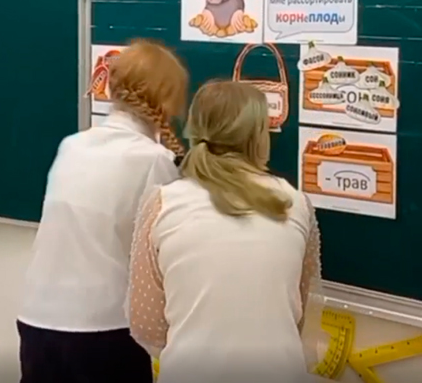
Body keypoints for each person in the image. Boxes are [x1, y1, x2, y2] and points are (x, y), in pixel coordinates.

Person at [128, 80, 322, 383]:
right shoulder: (295, 203)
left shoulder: (162, 204)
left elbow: (146, 325)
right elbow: (297, 311)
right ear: (258, 137)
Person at [17, 40, 189, 383]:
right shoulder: (154, 160)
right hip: (103, 327)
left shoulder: (72, 145)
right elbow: (169, 254)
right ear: (168, 100)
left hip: (37, 317)